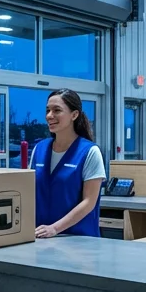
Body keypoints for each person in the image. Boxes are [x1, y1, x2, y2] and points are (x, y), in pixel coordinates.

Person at [31, 89, 106, 238]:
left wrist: (54, 229)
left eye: (57, 110)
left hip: (79, 240)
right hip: (41, 238)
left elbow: (89, 201)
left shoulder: (90, 152)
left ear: (74, 115)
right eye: (48, 110)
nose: (49, 116)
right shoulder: (39, 149)